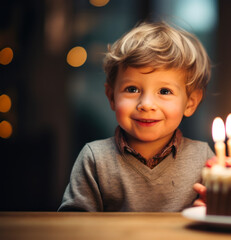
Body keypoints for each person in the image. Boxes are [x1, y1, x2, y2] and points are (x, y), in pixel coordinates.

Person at [58, 21, 213, 212]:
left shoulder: (204, 159)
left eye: (164, 91)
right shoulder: (95, 159)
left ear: (190, 102)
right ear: (111, 96)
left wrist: (214, 207)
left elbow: (221, 215)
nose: (146, 104)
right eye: (132, 89)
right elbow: (73, 226)